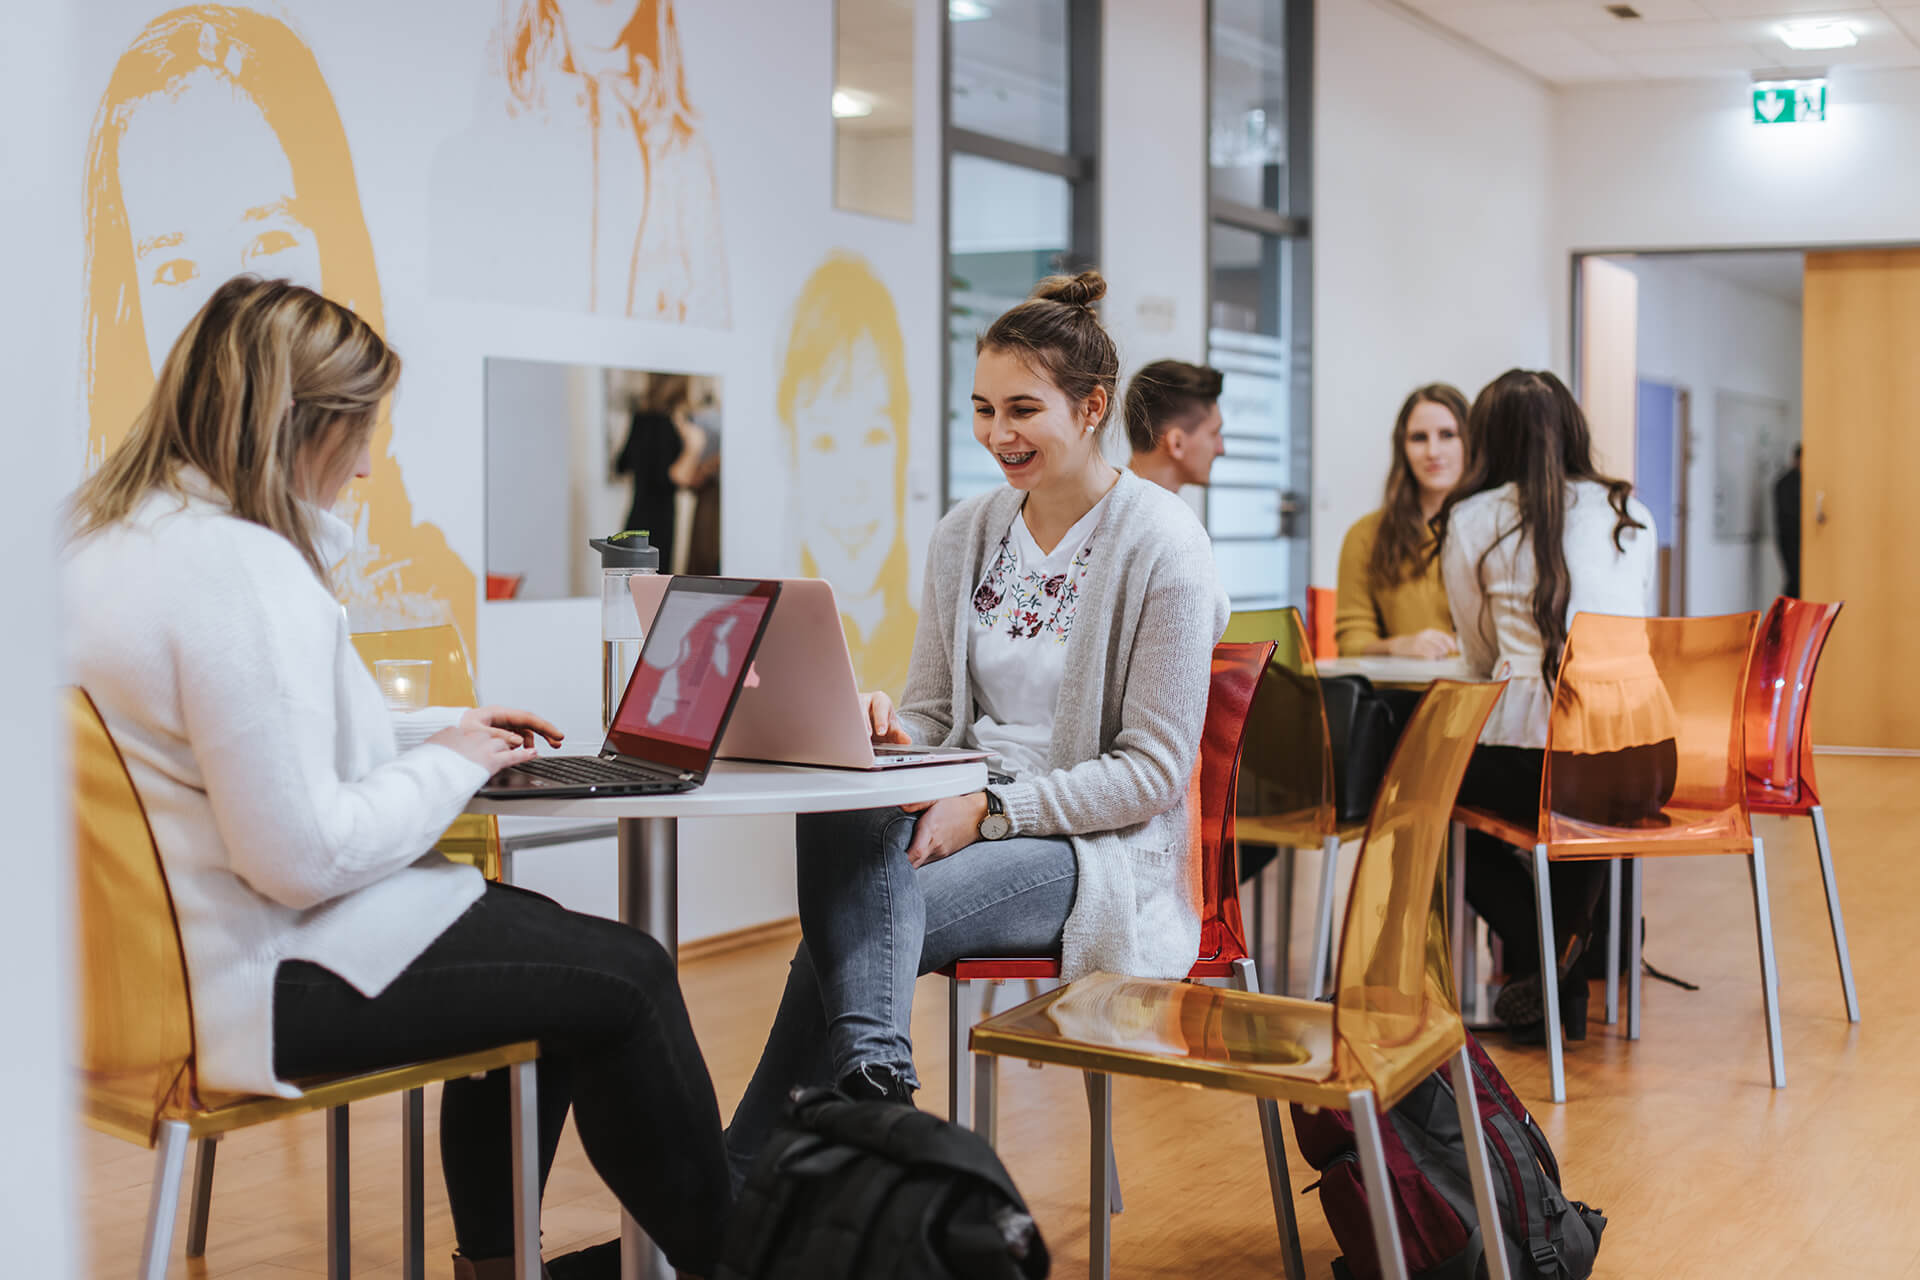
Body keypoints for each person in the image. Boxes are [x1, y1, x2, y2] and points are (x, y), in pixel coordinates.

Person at [63, 277, 731, 1280]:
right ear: (301, 426)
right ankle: (735, 1260)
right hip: (248, 982)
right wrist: (449, 763)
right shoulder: (242, 571)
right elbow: (302, 854)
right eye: (361, 432)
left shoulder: (102, 548)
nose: (370, 464)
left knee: (546, 947)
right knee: (623, 972)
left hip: (117, 984)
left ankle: (503, 1264)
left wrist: (438, 732)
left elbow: (223, 735)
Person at [724, 270, 1229, 1183]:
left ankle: (741, 1181)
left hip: (1093, 849)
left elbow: (1151, 772)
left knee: (860, 923)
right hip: (954, 808)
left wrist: (989, 808)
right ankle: (873, 1092)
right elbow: (930, 712)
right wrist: (884, 731)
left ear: (1091, 409)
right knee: (841, 817)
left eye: (1024, 409)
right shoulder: (968, 532)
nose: (999, 435)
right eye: (983, 408)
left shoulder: (1165, 544)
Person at [83, 6, 474, 637]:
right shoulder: (245, 571)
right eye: (172, 267)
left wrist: (441, 733)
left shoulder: (121, 539)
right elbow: (297, 743)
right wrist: (447, 745)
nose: (231, 291)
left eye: (267, 235)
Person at [1435, 369, 1670, 1046]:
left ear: (1486, 440)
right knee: (1585, 790)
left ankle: (1547, 956)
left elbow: (1479, 662)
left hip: (1540, 755)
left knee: (1424, 800)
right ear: (1574, 428)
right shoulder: (1631, 511)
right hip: (1645, 757)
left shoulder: (1475, 517)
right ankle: (1563, 961)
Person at [776, 251, 918, 696]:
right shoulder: (761, 656)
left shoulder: (938, 661)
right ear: (791, 453)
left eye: (874, 436)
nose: (852, 486)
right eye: (824, 443)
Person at [1336, 384, 1470, 658]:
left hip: (1483, 695)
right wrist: (1398, 646)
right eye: (1419, 438)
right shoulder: (1365, 535)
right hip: (1398, 696)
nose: (1433, 451)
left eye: (1447, 435)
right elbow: (1351, 641)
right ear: (1402, 448)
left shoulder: (1497, 530)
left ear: (1470, 442)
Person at [616, 373, 702, 573]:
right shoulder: (673, 423)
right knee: (654, 588)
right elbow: (671, 479)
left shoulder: (640, 417)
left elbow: (621, 464)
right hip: (660, 521)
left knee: (630, 585)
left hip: (636, 518)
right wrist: (693, 448)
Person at [1124, 358, 1227, 492]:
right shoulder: (1164, 512)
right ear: (1176, 443)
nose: (1221, 449)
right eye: (1213, 433)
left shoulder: (1103, 507)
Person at [1774, 443, 1802, 599]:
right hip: (1790, 541)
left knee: (1796, 583)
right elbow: (1789, 514)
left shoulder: (1805, 481)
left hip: (1799, 542)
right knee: (1794, 581)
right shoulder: (1785, 483)